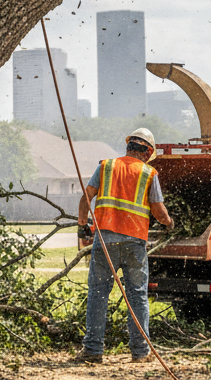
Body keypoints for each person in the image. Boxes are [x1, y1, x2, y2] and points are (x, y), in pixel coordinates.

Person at [75, 127, 173, 365]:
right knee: (137, 297)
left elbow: (86, 196)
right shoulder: (149, 174)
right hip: (134, 244)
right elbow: (159, 211)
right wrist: (169, 223)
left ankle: (93, 351)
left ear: (128, 145)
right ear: (148, 152)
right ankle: (140, 352)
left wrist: (81, 225)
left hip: (105, 242)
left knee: (98, 295)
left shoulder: (106, 166)